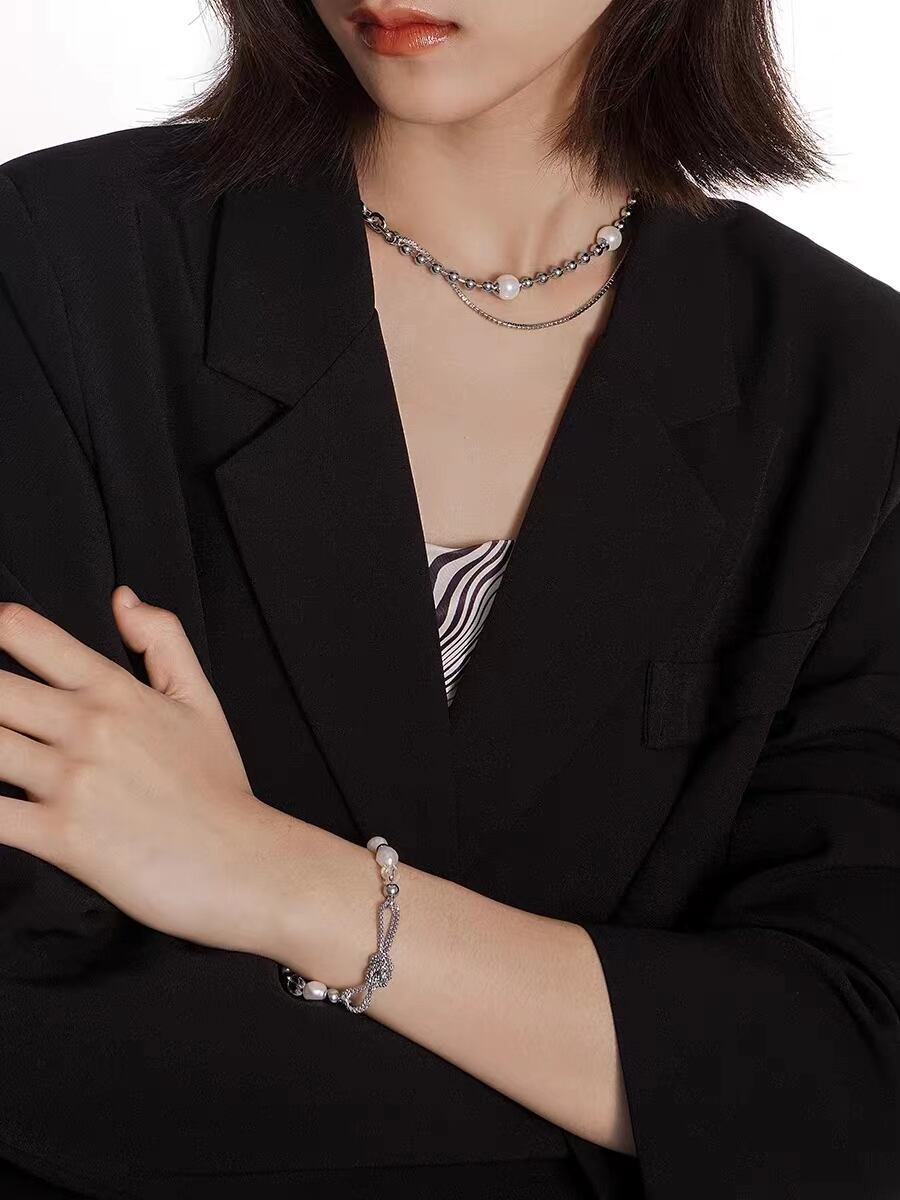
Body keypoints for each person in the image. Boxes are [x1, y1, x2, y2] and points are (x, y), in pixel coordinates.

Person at [0, 1, 898, 1197]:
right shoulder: (60, 270)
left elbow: (849, 1072)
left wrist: (278, 880)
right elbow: (35, 1025)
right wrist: (654, 1088)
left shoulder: (854, 390)